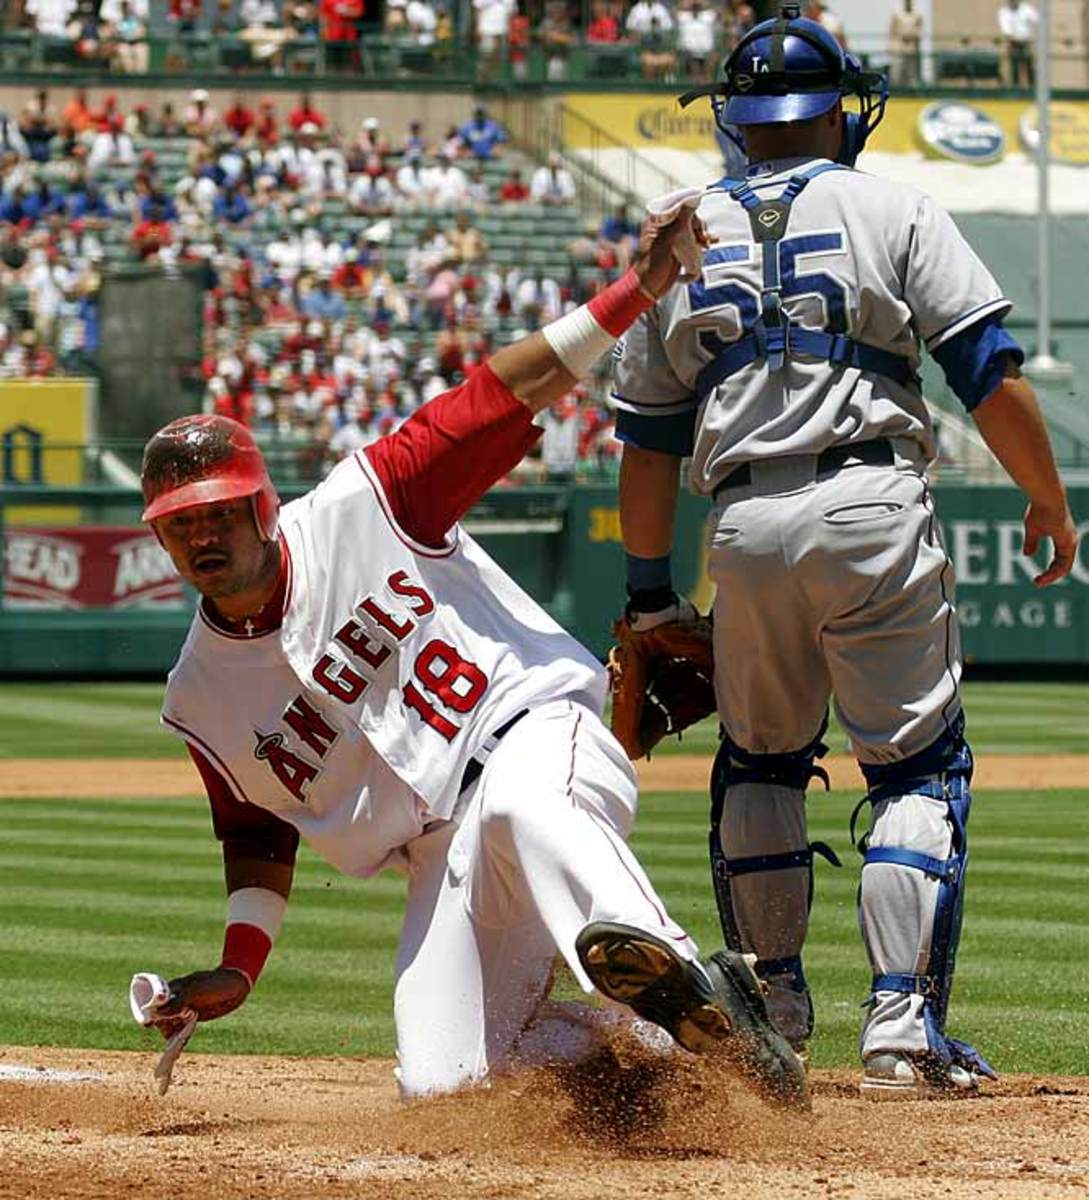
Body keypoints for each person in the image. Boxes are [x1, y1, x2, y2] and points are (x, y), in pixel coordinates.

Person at [130, 206, 806, 1107]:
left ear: (263, 506)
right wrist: (239, 968)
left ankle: (699, 985)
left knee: (529, 810)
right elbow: (256, 832)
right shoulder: (199, 696)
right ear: (163, 544)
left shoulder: (365, 503)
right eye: (183, 525)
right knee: (446, 1083)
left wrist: (636, 290)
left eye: (221, 511)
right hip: (442, 850)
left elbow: (503, 391)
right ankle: (658, 1051)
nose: (204, 535)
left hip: (532, 732)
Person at [619, 5, 1078, 1099]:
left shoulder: (680, 233)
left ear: (736, 121)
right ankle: (901, 1033)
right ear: (838, 110)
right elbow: (989, 371)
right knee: (916, 765)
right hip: (870, 497)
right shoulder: (892, 203)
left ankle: (773, 1010)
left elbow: (645, 441)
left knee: (763, 759)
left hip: (743, 518)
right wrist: (1049, 501)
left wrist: (645, 595)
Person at [997, 0, 1037, 89]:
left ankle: (1033, 87)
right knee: (1014, 67)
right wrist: (1013, 38)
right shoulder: (1004, 12)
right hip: (1013, 42)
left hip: (1025, 41)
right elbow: (1006, 30)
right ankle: (1015, 88)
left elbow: (1036, 19)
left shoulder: (1026, 9)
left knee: (1029, 66)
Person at [888, 0, 923, 89]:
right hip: (899, 48)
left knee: (912, 75)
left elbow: (919, 31)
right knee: (896, 74)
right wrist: (891, 46)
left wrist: (910, 35)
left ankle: (912, 94)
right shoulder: (897, 15)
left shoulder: (917, 16)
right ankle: (896, 93)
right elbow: (891, 32)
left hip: (911, 48)